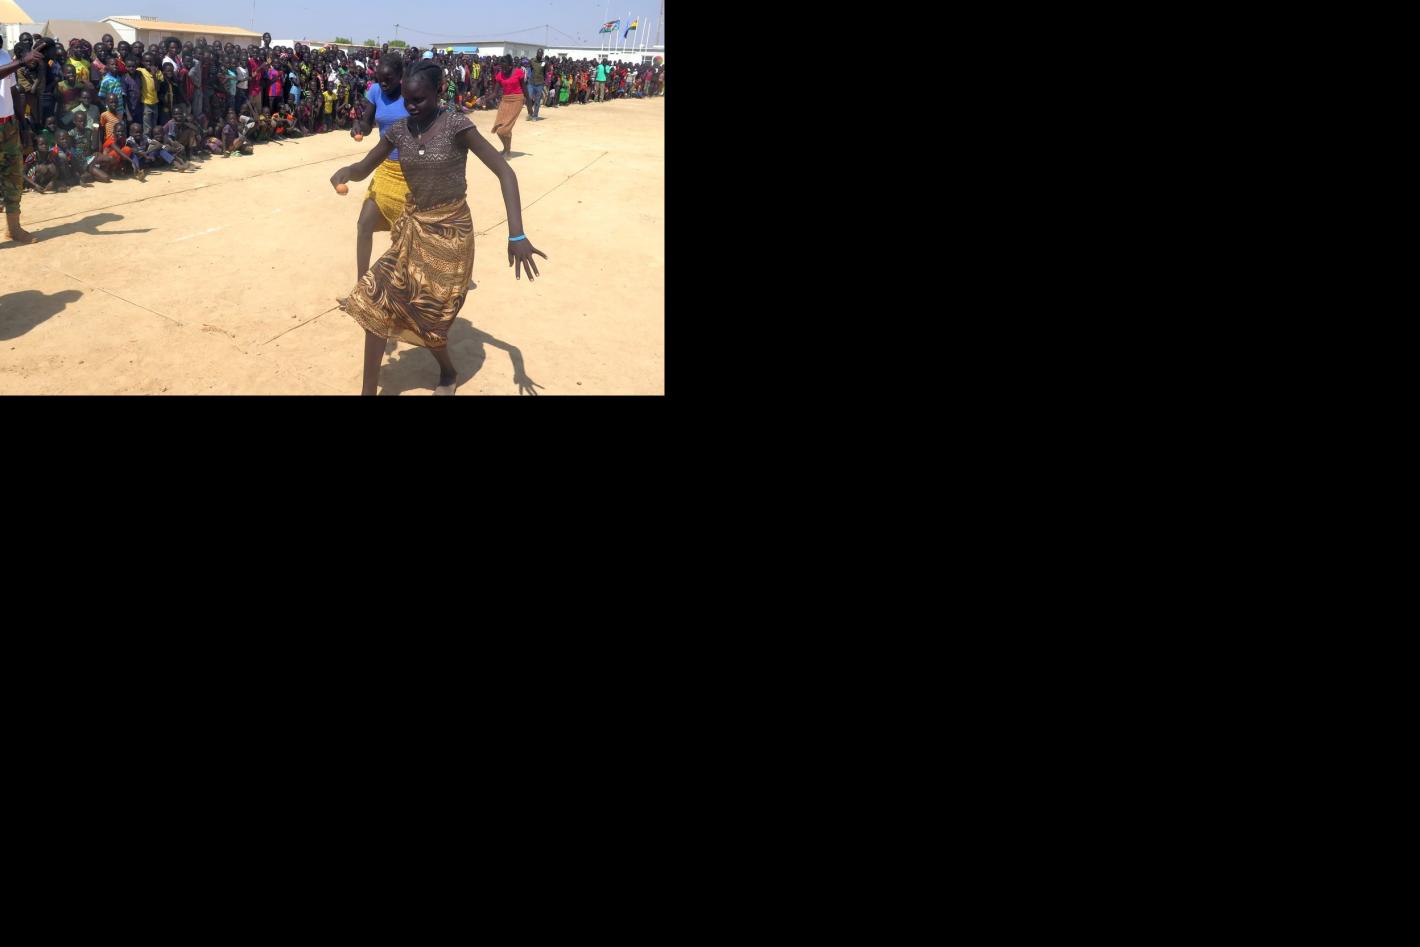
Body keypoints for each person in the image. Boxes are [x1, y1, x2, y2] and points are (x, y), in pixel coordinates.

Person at [331, 60, 547, 396]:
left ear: (439, 91)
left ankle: (447, 372)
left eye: (419, 99)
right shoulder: (399, 130)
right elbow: (364, 166)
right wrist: (346, 172)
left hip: (451, 234)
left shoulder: (457, 126)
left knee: (428, 317)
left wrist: (516, 233)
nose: (411, 107)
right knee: (375, 300)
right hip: (415, 228)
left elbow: (505, 172)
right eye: (407, 100)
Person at [351, 54, 410, 286]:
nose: (383, 83)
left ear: (401, 76)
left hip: (411, 172)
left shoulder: (411, 93)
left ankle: (403, 288)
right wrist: (359, 126)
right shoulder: (375, 91)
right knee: (364, 225)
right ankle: (361, 287)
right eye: (379, 78)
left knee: (406, 236)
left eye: (389, 79)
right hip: (385, 167)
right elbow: (368, 123)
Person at [2, 43, 46, 243]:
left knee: (14, 177)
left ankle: (14, 229)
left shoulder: (4, 55)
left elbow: (12, 91)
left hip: (8, 125)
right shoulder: (13, 61)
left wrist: (22, 123)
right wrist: (21, 62)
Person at [489, 55, 526, 159]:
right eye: (502, 67)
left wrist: (529, 106)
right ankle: (506, 149)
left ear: (511, 65)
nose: (503, 70)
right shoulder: (499, 75)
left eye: (505, 67)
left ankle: (508, 151)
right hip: (505, 100)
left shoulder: (518, 72)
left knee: (504, 129)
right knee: (498, 127)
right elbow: (495, 93)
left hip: (517, 100)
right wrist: (484, 99)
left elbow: (525, 88)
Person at [526, 49, 546, 121]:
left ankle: (535, 115)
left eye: (541, 53)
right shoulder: (532, 61)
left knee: (537, 100)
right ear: (536, 53)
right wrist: (528, 77)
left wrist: (543, 80)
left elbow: (545, 72)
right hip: (531, 83)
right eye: (538, 53)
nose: (539, 54)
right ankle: (530, 113)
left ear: (542, 54)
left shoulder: (544, 62)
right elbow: (530, 69)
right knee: (529, 98)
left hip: (539, 84)